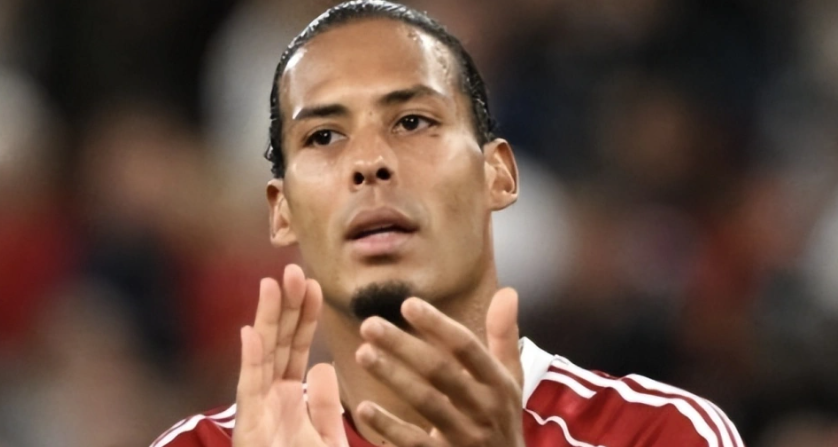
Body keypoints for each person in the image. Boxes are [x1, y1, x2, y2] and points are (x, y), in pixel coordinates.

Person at [152, 1, 744, 446]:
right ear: (282, 211)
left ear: (498, 176)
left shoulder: (657, 434)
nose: (369, 162)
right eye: (325, 136)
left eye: (412, 122)